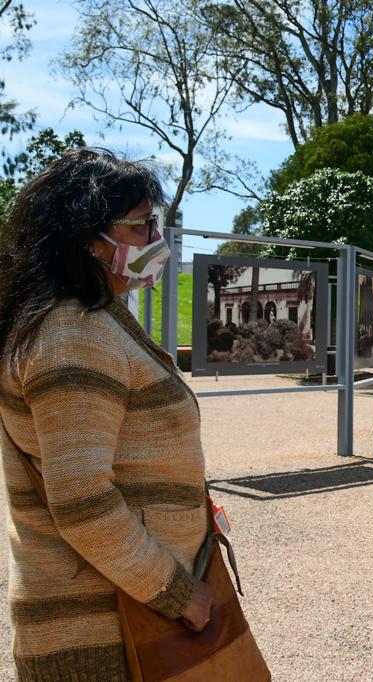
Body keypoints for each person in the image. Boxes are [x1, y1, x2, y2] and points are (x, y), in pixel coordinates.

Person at [0, 149, 213, 680]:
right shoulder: (73, 336)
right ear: (90, 240)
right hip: (105, 632)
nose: (155, 241)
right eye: (142, 226)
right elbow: (82, 503)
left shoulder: (88, 321)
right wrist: (178, 593)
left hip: (125, 619)